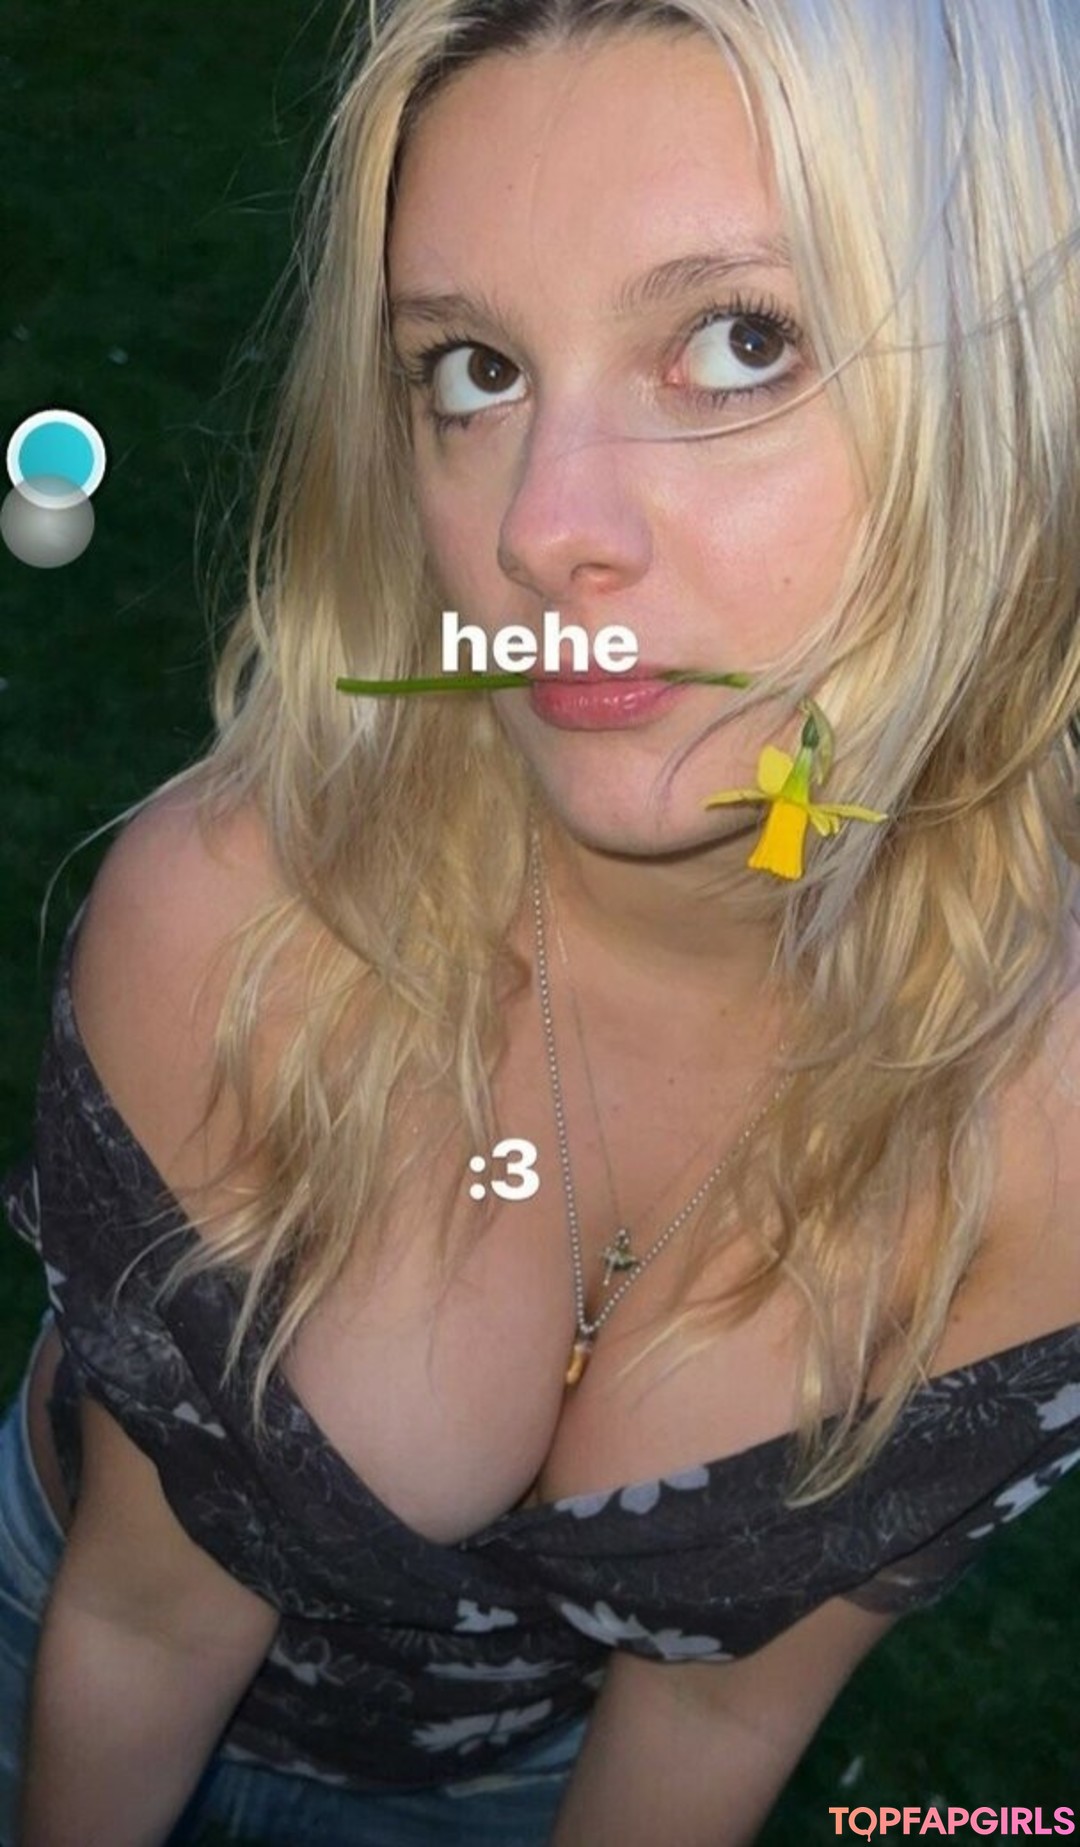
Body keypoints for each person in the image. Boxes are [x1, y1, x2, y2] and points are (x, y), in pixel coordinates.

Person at [3, 0, 1080, 1841]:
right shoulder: (244, 930)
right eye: (475, 369)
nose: (539, 529)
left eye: (739, 343)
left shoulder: (1045, 1115)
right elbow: (138, 1620)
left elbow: (719, 1716)